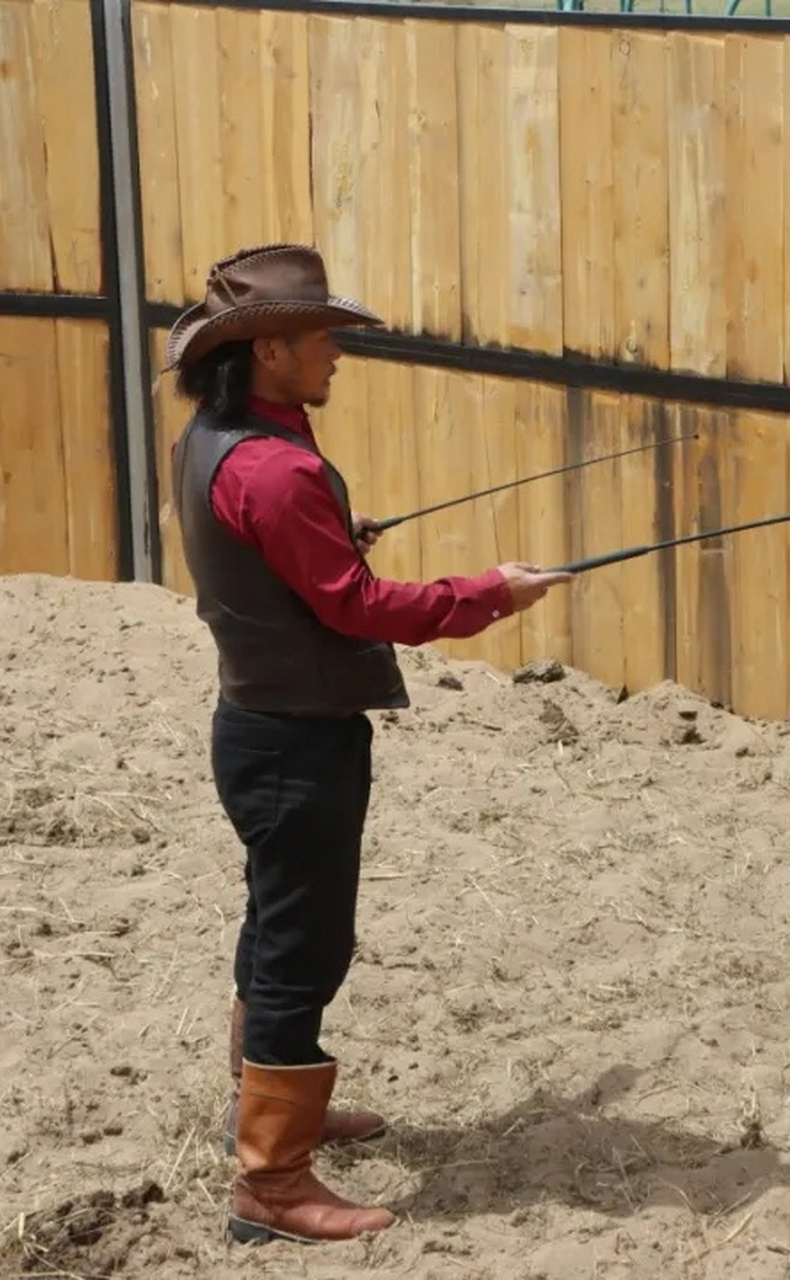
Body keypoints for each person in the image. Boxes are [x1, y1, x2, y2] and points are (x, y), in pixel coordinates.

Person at [164, 242, 572, 1246]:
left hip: (255, 727)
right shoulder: (276, 468)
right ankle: (271, 1181)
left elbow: (288, 559)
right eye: (324, 340)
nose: (338, 355)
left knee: (276, 925)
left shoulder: (220, 438)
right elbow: (354, 608)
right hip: (296, 747)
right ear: (271, 352)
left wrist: (336, 533)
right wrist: (490, 593)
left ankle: (262, 1104)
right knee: (306, 947)